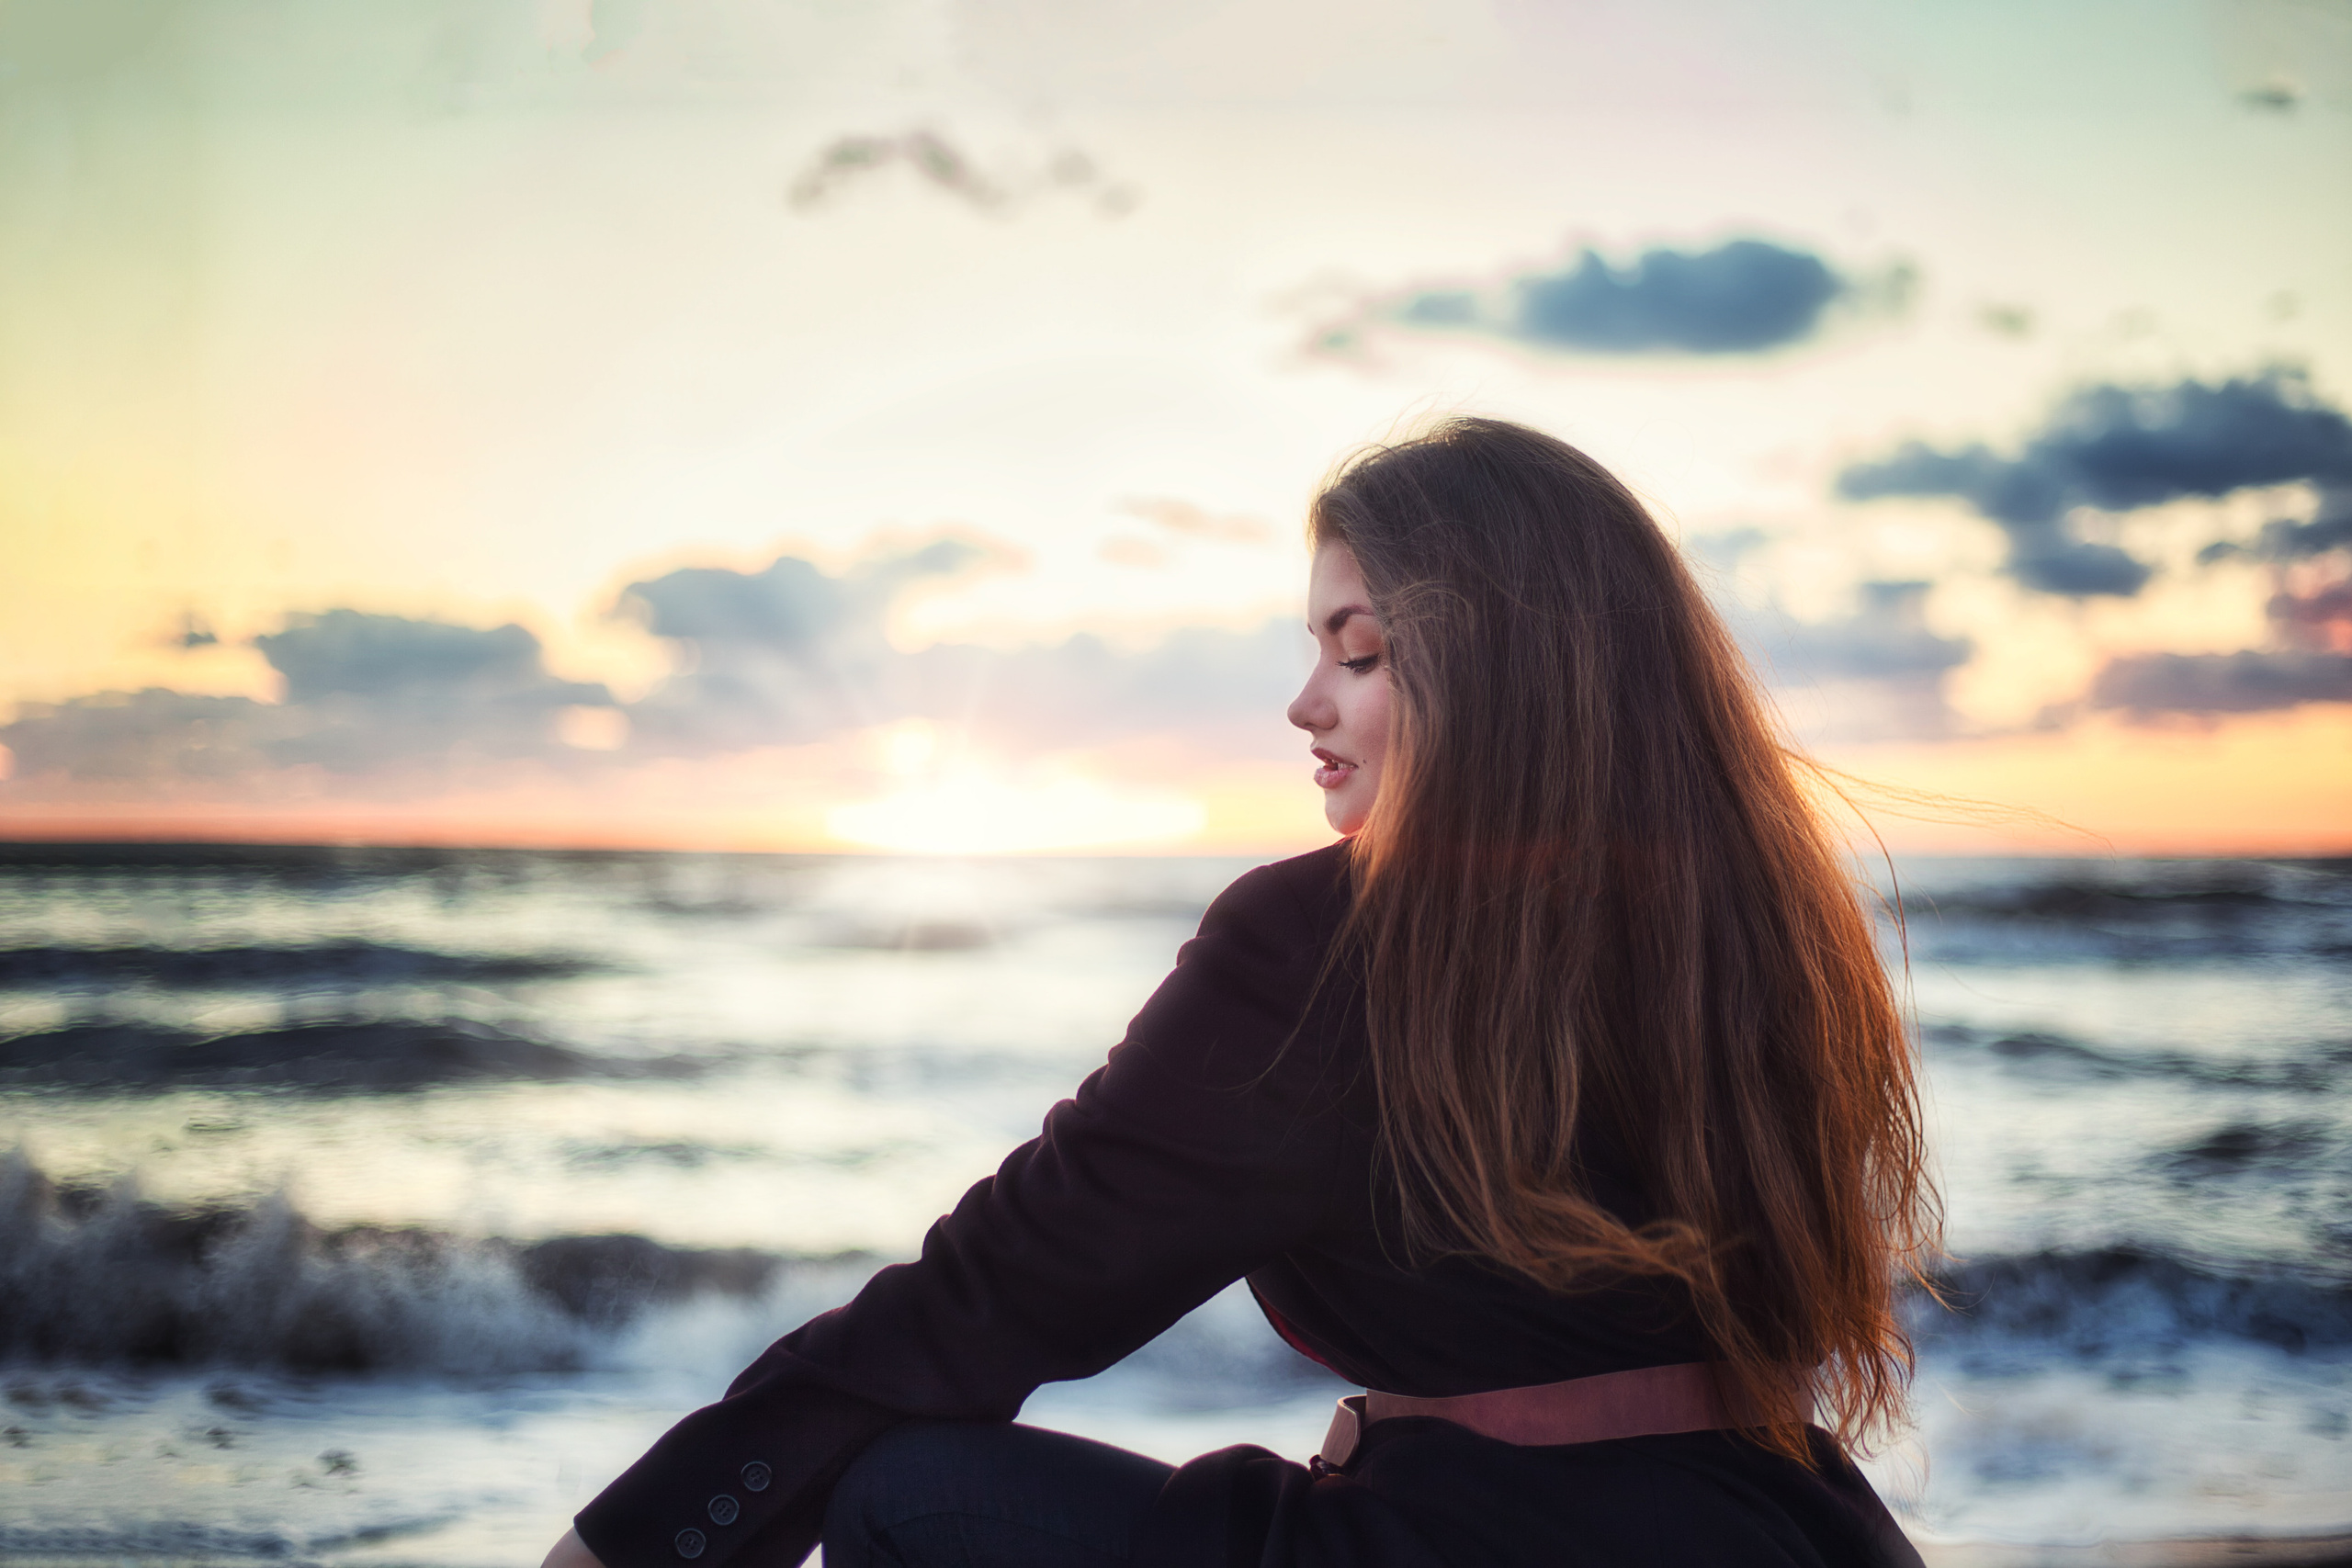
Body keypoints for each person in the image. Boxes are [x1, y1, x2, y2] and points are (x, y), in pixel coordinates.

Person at [542, 417, 1937, 1568]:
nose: (1304, 704)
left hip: (1474, 1552)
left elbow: (1013, 1281)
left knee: (908, 1500)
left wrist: (649, 1538)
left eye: (1360, 651)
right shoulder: (1763, 930)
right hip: (1790, 1533)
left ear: (1503, 673)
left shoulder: (1329, 944)